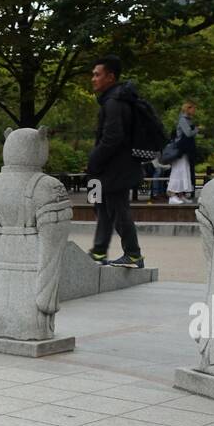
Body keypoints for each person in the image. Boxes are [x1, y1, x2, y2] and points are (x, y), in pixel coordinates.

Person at [86, 55, 144, 269]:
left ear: (110, 77)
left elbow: (112, 138)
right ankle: (99, 251)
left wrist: (93, 160)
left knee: (118, 209)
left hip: (116, 169)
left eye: (97, 74)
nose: (93, 79)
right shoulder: (114, 99)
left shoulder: (114, 102)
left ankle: (133, 254)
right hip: (108, 169)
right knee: (101, 205)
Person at [167, 101, 199, 204]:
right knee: (177, 171)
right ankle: (172, 195)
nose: (194, 111)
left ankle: (180, 195)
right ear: (188, 109)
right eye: (193, 108)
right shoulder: (183, 120)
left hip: (185, 151)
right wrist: (197, 130)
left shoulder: (188, 120)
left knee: (184, 171)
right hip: (180, 150)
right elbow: (188, 133)